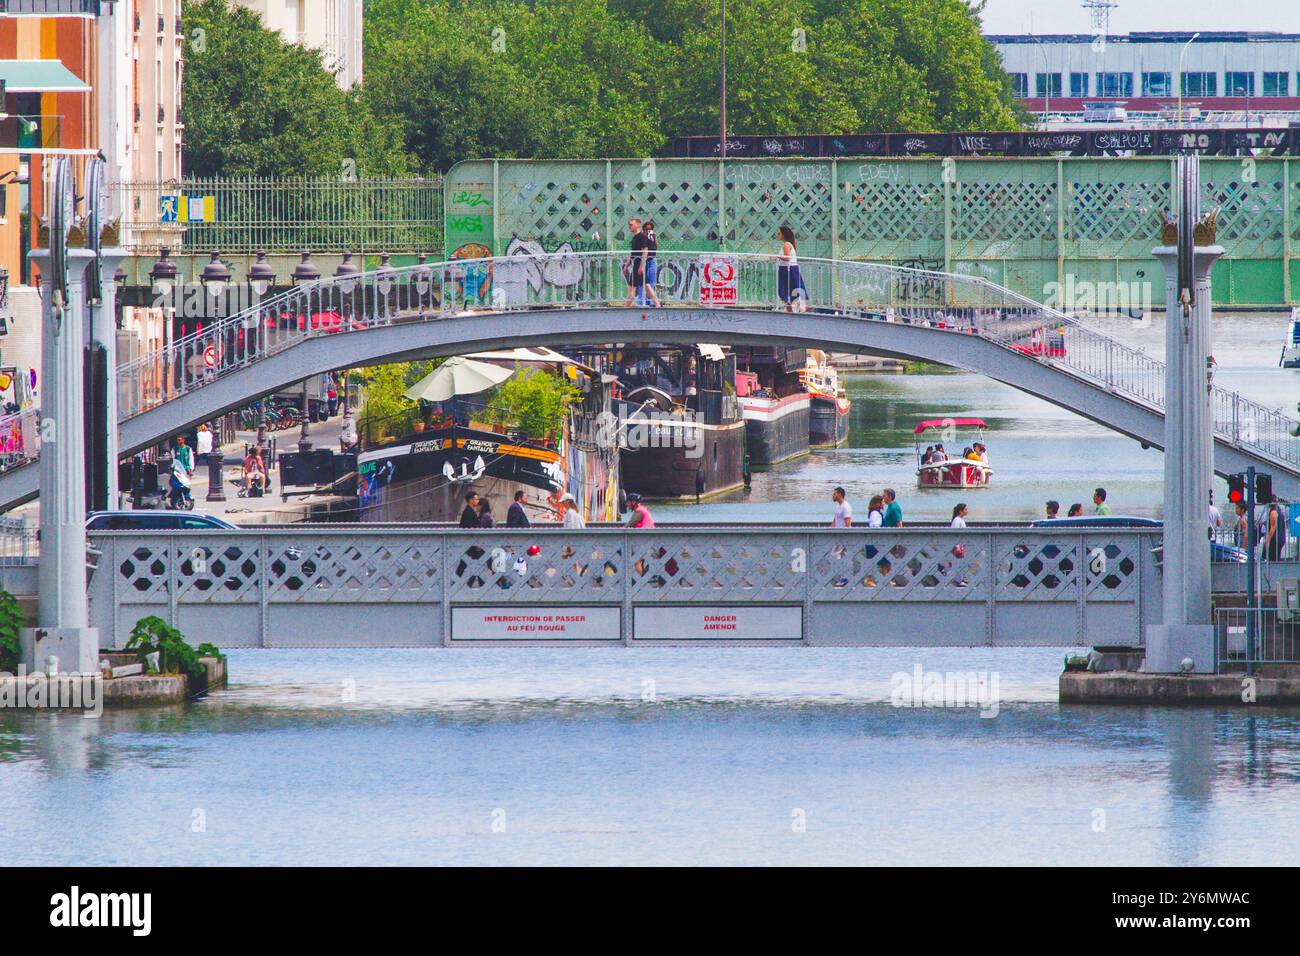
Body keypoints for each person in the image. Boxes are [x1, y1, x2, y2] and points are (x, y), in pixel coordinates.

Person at [776, 225, 807, 313]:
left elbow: (787, 258)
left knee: (787, 288)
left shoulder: (786, 244)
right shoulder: (789, 244)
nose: (777, 235)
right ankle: (792, 308)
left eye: (779, 233)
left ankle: (798, 307)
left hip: (787, 269)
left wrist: (778, 257)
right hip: (789, 269)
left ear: (783, 234)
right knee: (793, 288)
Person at [623, 218, 650, 307]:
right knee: (646, 286)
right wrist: (627, 265)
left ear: (638, 225)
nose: (629, 226)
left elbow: (645, 251)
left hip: (638, 266)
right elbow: (632, 253)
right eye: (629, 225)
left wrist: (641, 266)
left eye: (631, 224)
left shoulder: (641, 237)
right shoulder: (635, 237)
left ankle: (625, 307)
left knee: (632, 288)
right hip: (636, 265)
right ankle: (657, 304)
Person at [638, 221, 661, 308]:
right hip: (643, 260)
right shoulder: (641, 237)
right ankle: (641, 301)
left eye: (650, 229)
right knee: (641, 281)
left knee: (651, 281)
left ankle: (650, 301)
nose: (648, 230)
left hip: (652, 259)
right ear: (643, 229)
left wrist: (654, 238)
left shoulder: (652, 237)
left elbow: (656, 247)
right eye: (647, 229)